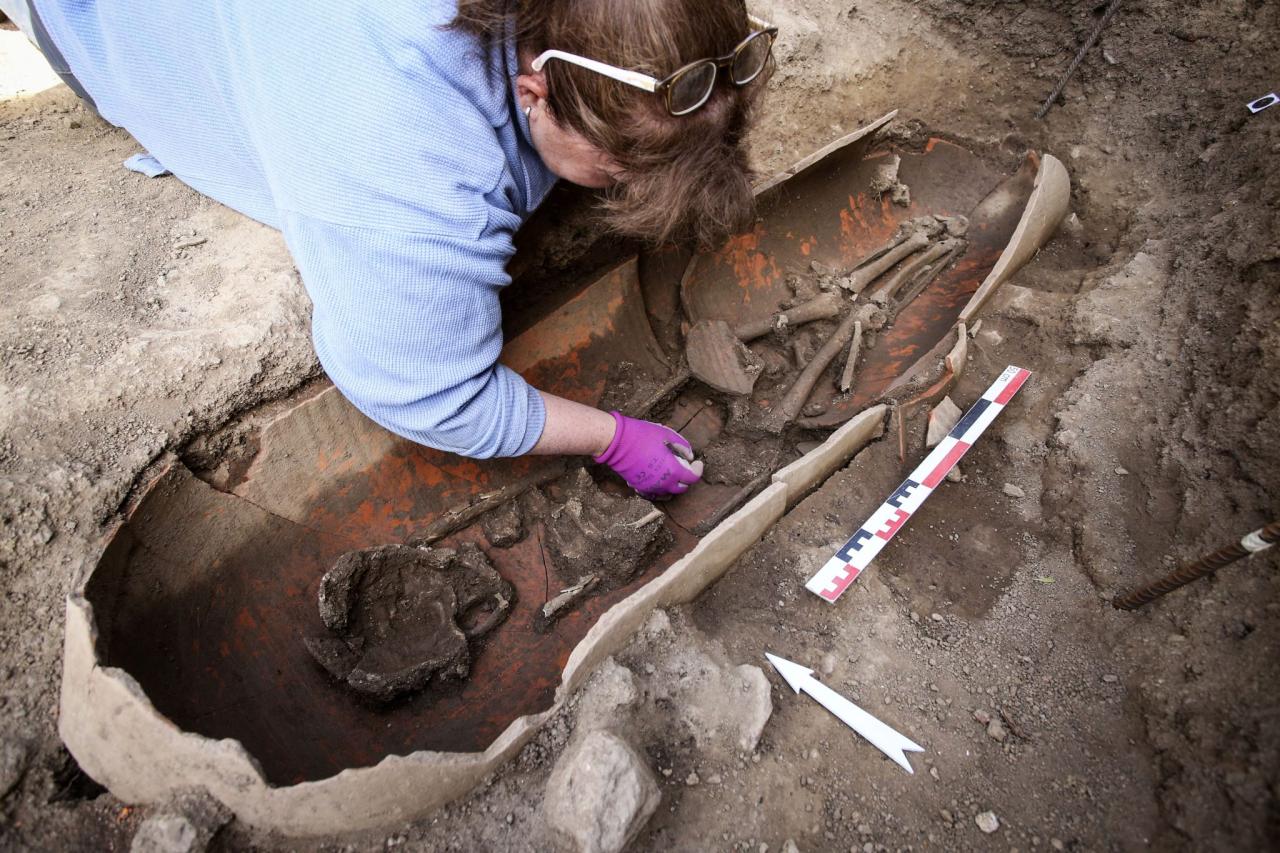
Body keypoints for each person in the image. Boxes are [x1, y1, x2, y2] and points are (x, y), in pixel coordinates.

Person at [4, 0, 774, 499]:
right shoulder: (405, 157)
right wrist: (612, 435)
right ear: (532, 93)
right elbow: (432, 393)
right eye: (617, 174)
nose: (622, 193)